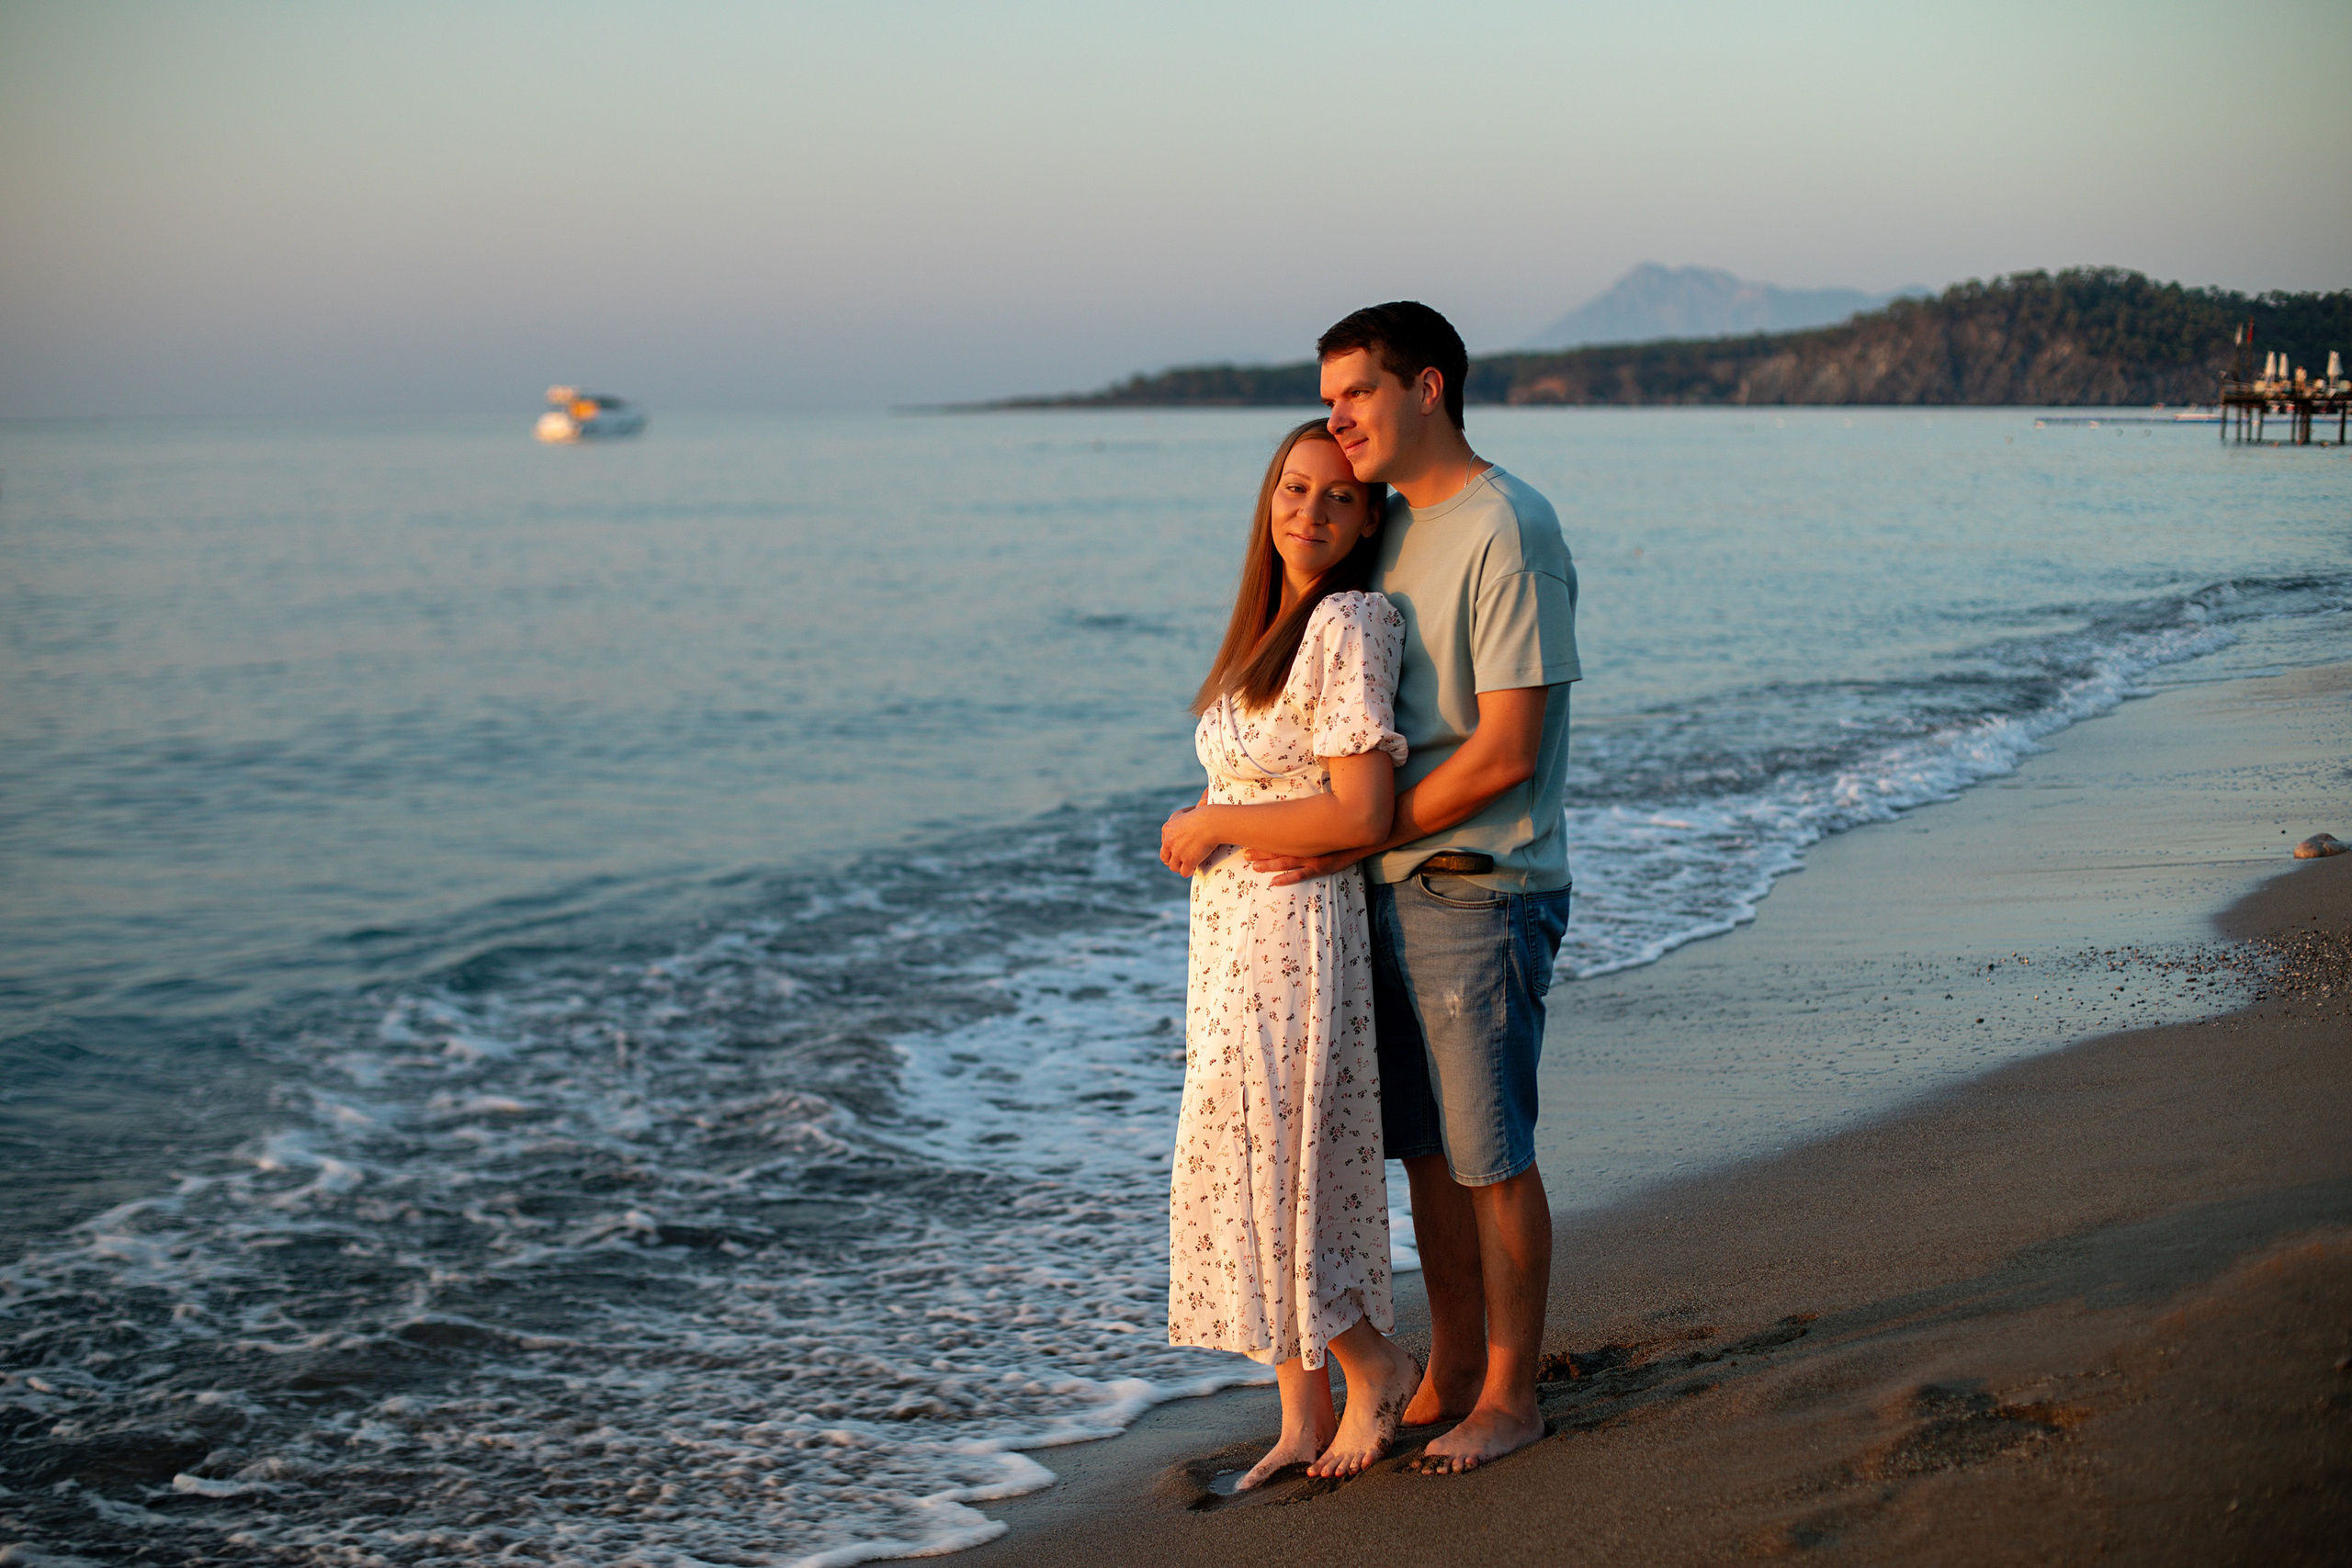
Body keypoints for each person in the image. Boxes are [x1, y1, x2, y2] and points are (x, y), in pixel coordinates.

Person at [1250, 302, 1580, 1474]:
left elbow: (1506, 751)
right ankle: (1447, 1367)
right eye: (1328, 399)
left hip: (1479, 885)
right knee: (1426, 1153)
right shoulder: (1385, 530)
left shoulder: (1508, 525)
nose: (1335, 421)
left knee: (1491, 1150)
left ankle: (1512, 1394)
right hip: (1381, 892)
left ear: (1426, 388)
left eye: (1354, 395)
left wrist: (1355, 834)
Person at [1160, 417, 1424, 1487]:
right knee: (1232, 1153)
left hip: (1292, 930)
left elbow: (1360, 810)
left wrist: (1218, 822)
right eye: (1292, 489)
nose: (1308, 513)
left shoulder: (1353, 621)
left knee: (1284, 1161)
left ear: (1366, 519)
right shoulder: (1267, 626)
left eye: (1335, 497)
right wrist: (1223, 825)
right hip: (1229, 937)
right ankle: (1298, 1412)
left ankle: (1376, 1367)